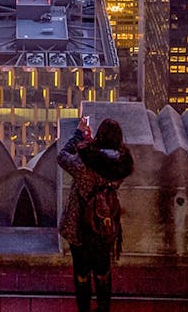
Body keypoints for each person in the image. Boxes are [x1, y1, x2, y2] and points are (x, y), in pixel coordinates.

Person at [57, 116, 134, 312]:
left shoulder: (84, 163)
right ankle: (103, 308)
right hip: (105, 223)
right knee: (102, 270)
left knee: (82, 272)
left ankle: (84, 308)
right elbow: (105, 161)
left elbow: (63, 156)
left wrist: (79, 135)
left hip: (79, 224)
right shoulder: (121, 166)